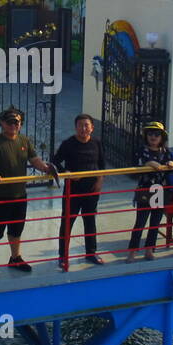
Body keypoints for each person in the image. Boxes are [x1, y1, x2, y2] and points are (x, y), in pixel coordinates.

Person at [0, 107, 57, 281]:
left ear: (20, 124)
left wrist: (45, 168)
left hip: (19, 194)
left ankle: (15, 258)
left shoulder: (24, 140)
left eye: (17, 122)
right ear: (2, 123)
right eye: (10, 122)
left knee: (16, 229)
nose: (13, 125)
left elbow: (34, 159)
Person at [53, 113, 107, 267]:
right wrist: (66, 173)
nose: (83, 129)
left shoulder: (96, 143)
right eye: (80, 126)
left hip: (92, 190)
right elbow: (55, 161)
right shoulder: (68, 144)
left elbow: (102, 165)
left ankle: (91, 253)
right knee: (67, 222)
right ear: (75, 127)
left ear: (92, 127)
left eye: (86, 125)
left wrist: (100, 180)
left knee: (90, 221)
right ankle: (63, 256)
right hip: (73, 191)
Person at [129, 121, 173, 262]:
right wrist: (148, 163)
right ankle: (132, 252)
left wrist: (171, 165)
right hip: (144, 190)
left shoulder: (166, 152)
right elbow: (134, 167)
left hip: (161, 190)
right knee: (140, 223)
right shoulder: (141, 150)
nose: (153, 137)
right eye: (150, 134)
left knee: (155, 223)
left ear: (162, 137)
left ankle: (149, 250)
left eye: (157, 134)